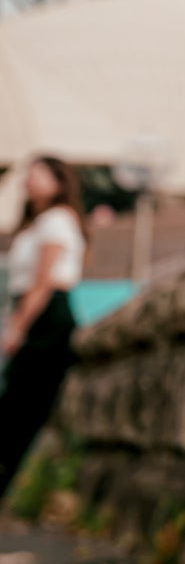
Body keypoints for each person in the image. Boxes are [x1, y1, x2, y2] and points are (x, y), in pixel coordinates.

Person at [0, 155, 87, 500]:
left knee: (18, 411)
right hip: (34, 314)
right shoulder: (37, 222)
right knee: (14, 410)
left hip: (45, 318)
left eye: (38, 174)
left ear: (58, 182)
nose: (29, 180)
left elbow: (44, 280)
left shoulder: (57, 220)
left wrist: (18, 326)